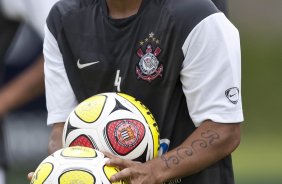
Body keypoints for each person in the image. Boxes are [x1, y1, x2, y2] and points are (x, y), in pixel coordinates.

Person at [38, 0, 243, 183]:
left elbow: (223, 130)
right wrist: (58, 170)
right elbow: (61, 130)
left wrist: (153, 171)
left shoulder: (197, 16)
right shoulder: (63, 20)